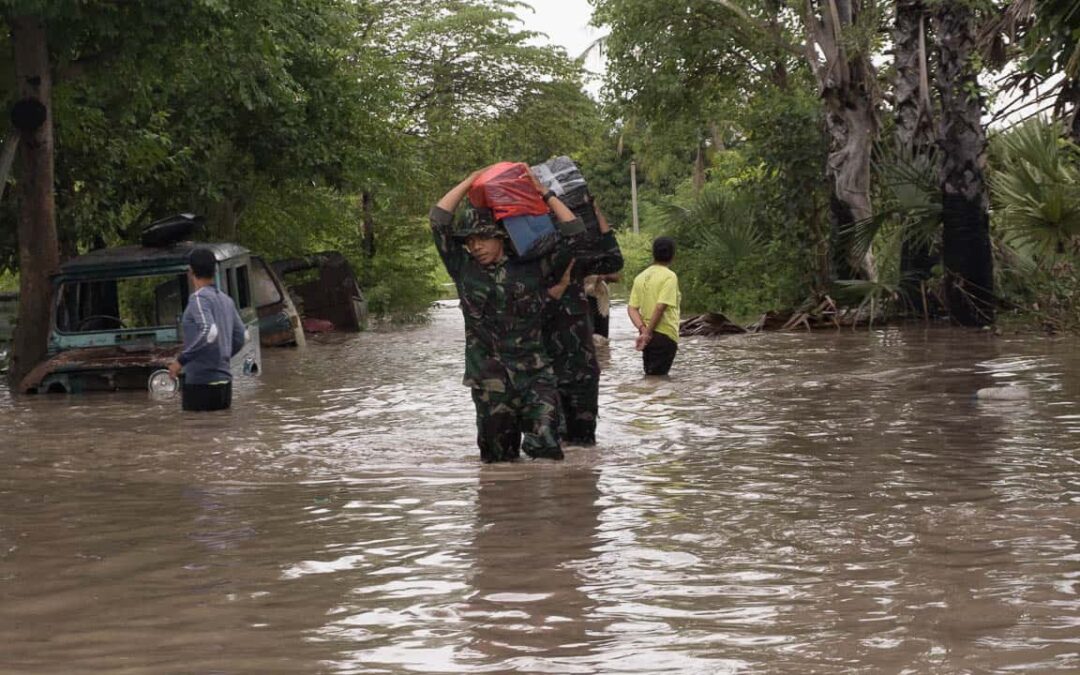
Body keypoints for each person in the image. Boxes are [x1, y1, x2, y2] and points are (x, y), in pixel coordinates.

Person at [430, 168, 583, 463]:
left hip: (535, 376)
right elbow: (438, 219)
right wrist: (470, 179)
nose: (475, 246)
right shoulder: (464, 269)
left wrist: (545, 193)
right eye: (470, 241)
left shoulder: (534, 266)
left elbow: (574, 232)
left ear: (501, 237)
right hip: (490, 383)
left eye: (483, 238)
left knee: (549, 447)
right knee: (498, 464)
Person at [544, 203, 623, 446]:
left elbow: (614, 262)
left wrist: (597, 214)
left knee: (584, 448)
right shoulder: (528, 270)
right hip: (546, 376)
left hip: (582, 374)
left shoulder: (577, 266)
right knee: (551, 448)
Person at [167, 247, 247, 411]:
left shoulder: (198, 298)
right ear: (214, 270)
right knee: (221, 432)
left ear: (190, 272)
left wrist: (180, 361)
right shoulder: (226, 300)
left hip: (200, 384)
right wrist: (222, 357)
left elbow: (209, 332)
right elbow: (243, 337)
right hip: (225, 384)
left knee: (198, 433)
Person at [628, 236, 681, 376]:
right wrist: (647, 333)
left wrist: (643, 330)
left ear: (653, 254)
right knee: (659, 381)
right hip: (664, 335)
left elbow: (632, 308)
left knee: (651, 378)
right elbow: (660, 307)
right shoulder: (670, 276)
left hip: (647, 338)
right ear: (672, 255)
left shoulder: (640, 277)